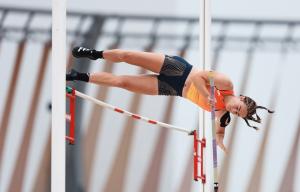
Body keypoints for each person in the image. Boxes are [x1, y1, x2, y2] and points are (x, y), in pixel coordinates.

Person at [67, 47, 274, 152]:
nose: (235, 111)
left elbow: (220, 130)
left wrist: (220, 141)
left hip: (173, 89)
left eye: (238, 114)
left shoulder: (223, 115)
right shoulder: (225, 83)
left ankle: (79, 76)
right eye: (238, 107)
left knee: (123, 83)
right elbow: (197, 77)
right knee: (128, 56)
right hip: (179, 70)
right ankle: (95, 54)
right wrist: (206, 95)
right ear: (241, 97)